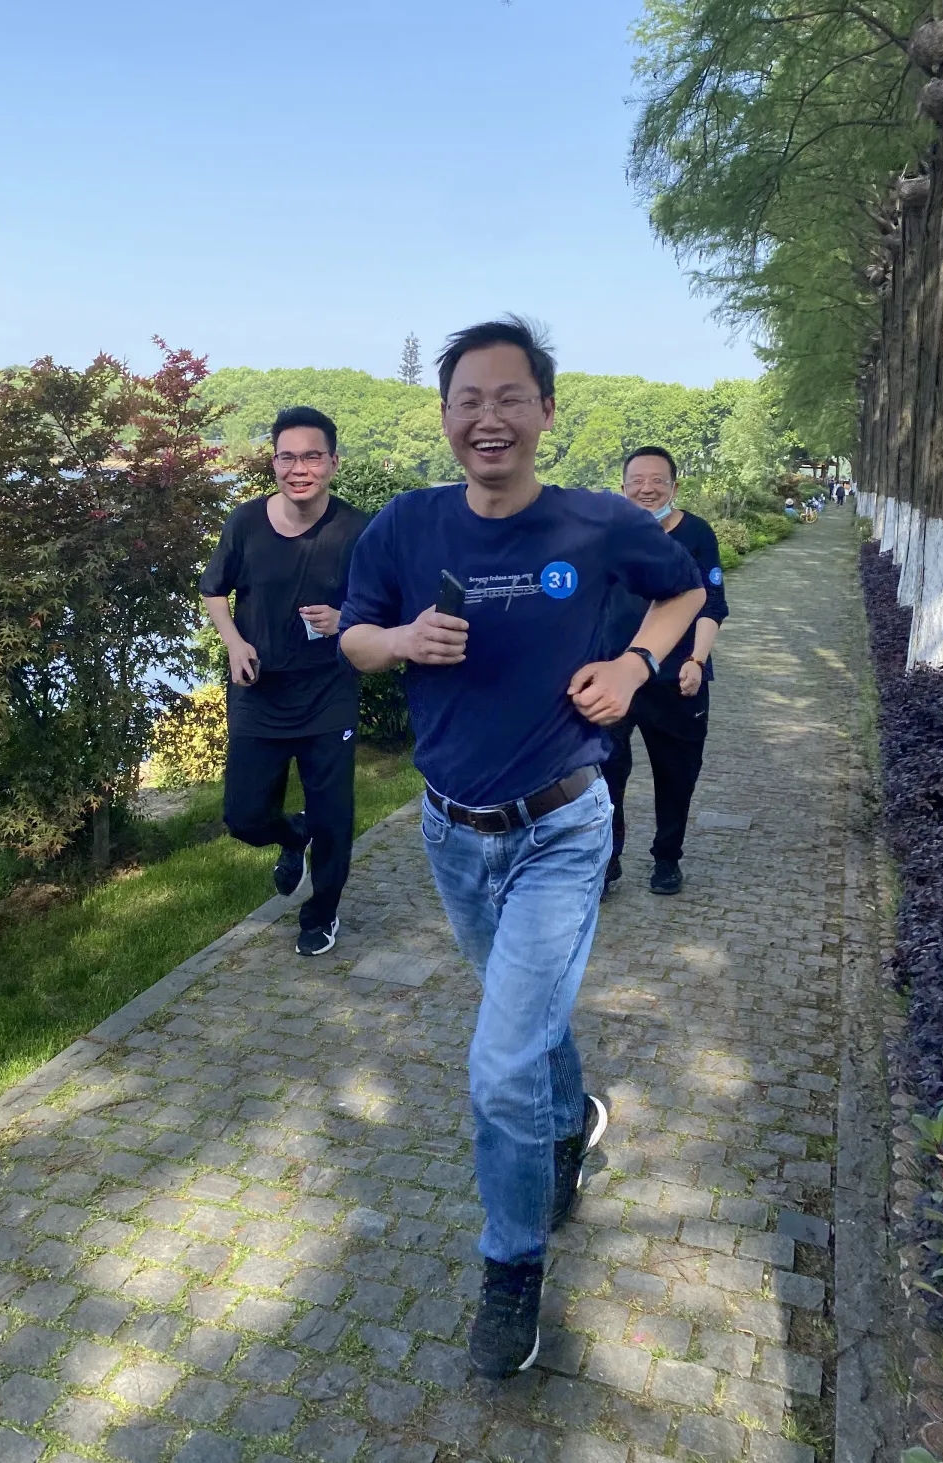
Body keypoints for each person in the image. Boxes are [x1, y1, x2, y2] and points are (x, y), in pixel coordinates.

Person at [339, 317, 705, 1380]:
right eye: (468, 399)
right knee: (527, 1023)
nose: (487, 417)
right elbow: (354, 635)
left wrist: (635, 664)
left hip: (561, 825)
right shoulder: (407, 526)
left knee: (500, 1059)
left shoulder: (596, 521)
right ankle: (571, 1120)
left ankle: (511, 1269)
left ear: (546, 410)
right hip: (451, 833)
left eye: (509, 397)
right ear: (445, 415)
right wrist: (400, 640)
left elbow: (684, 588)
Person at [199, 406, 368, 957]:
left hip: (328, 693)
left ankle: (321, 914)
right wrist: (234, 642)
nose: (300, 469)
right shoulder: (245, 523)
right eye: (287, 457)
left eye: (312, 457)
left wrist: (345, 621)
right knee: (244, 817)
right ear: (273, 462)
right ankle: (293, 835)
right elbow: (213, 591)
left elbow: (385, 608)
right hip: (259, 691)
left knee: (334, 819)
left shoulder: (357, 530)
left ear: (333, 462)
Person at [600, 447, 729, 898]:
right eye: (637, 481)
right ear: (623, 487)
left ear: (674, 487)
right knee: (604, 775)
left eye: (657, 480)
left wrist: (697, 659)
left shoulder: (696, 533)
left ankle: (667, 858)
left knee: (676, 775)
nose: (647, 489)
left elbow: (712, 603)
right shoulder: (606, 534)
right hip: (615, 677)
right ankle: (606, 860)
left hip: (677, 679)